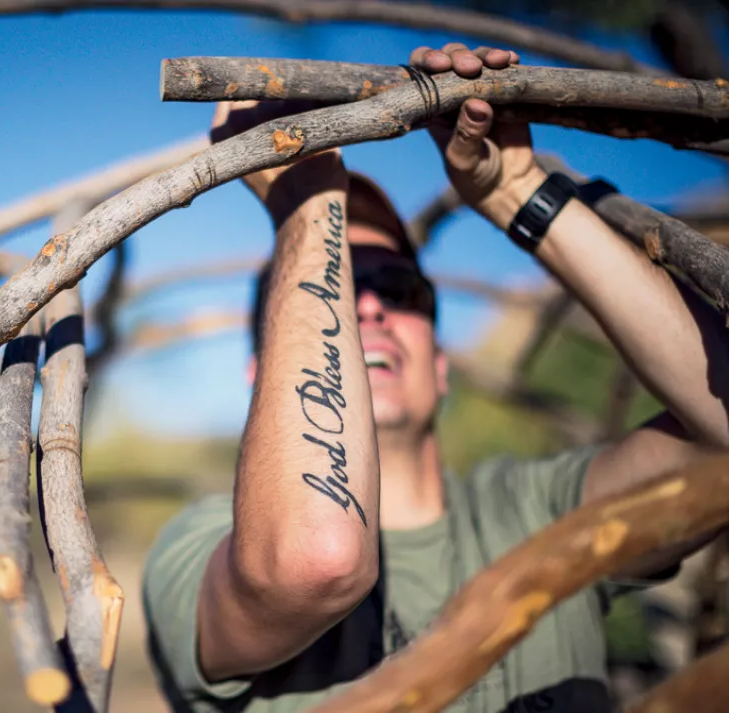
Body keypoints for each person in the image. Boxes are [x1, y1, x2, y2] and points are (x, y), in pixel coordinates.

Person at [141, 42, 729, 713]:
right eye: (340, 282)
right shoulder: (202, 548)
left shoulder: (540, 510)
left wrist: (516, 192)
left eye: (397, 287)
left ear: (440, 360)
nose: (367, 304)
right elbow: (315, 559)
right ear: (260, 370)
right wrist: (307, 199)